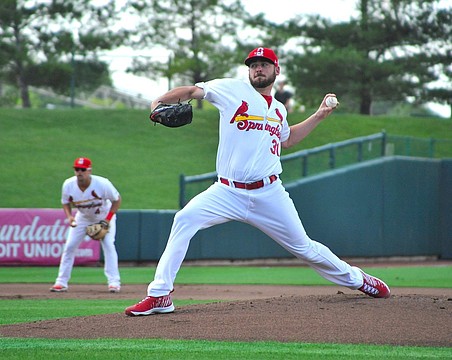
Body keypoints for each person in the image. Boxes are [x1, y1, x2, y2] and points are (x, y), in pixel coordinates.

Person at [125, 47, 390, 316]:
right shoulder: (231, 90)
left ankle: (359, 280)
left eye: (264, 64)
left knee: (305, 248)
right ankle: (160, 295)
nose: (258, 69)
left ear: (277, 70)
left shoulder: (278, 110)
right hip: (226, 191)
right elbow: (193, 92)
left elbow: (287, 140)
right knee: (184, 219)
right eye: (253, 65)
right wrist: (157, 102)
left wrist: (319, 115)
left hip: (269, 193)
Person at [50, 157, 122, 293]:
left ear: (89, 170)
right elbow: (65, 202)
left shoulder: (102, 183)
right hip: (82, 218)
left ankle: (114, 282)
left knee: (108, 245)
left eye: (82, 169)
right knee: (70, 246)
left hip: (104, 216)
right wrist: (69, 216)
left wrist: (107, 219)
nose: (79, 172)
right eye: (77, 169)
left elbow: (117, 200)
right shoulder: (68, 184)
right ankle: (61, 282)